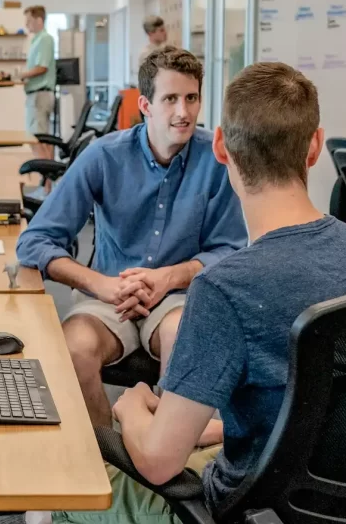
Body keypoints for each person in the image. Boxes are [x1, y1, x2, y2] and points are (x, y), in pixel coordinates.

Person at [51, 62, 346, 524]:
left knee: (58, 485)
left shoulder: (224, 289)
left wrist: (133, 406)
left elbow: (159, 461)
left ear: (220, 146)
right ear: (315, 146)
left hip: (245, 507)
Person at [16, 46, 247, 431]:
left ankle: (164, 455)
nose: (183, 112)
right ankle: (108, 458)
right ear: (145, 104)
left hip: (178, 297)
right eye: (170, 99)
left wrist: (169, 278)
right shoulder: (103, 157)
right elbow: (35, 241)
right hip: (108, 294)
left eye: (191, 98)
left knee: (182, 337)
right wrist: (100, 285)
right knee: (74, 348)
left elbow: (232, 250)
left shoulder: (217, 160)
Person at [21, 5, 57, 161]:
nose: (26, 25)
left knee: (37, 139)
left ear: (39, 20)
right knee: (43, 139)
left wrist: (22, 75)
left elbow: (42, 67)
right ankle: (49, 183)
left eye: (29, 21)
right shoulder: (37, 40)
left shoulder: (45, 39)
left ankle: (48, 178)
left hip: (40, 95)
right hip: (37, 94)